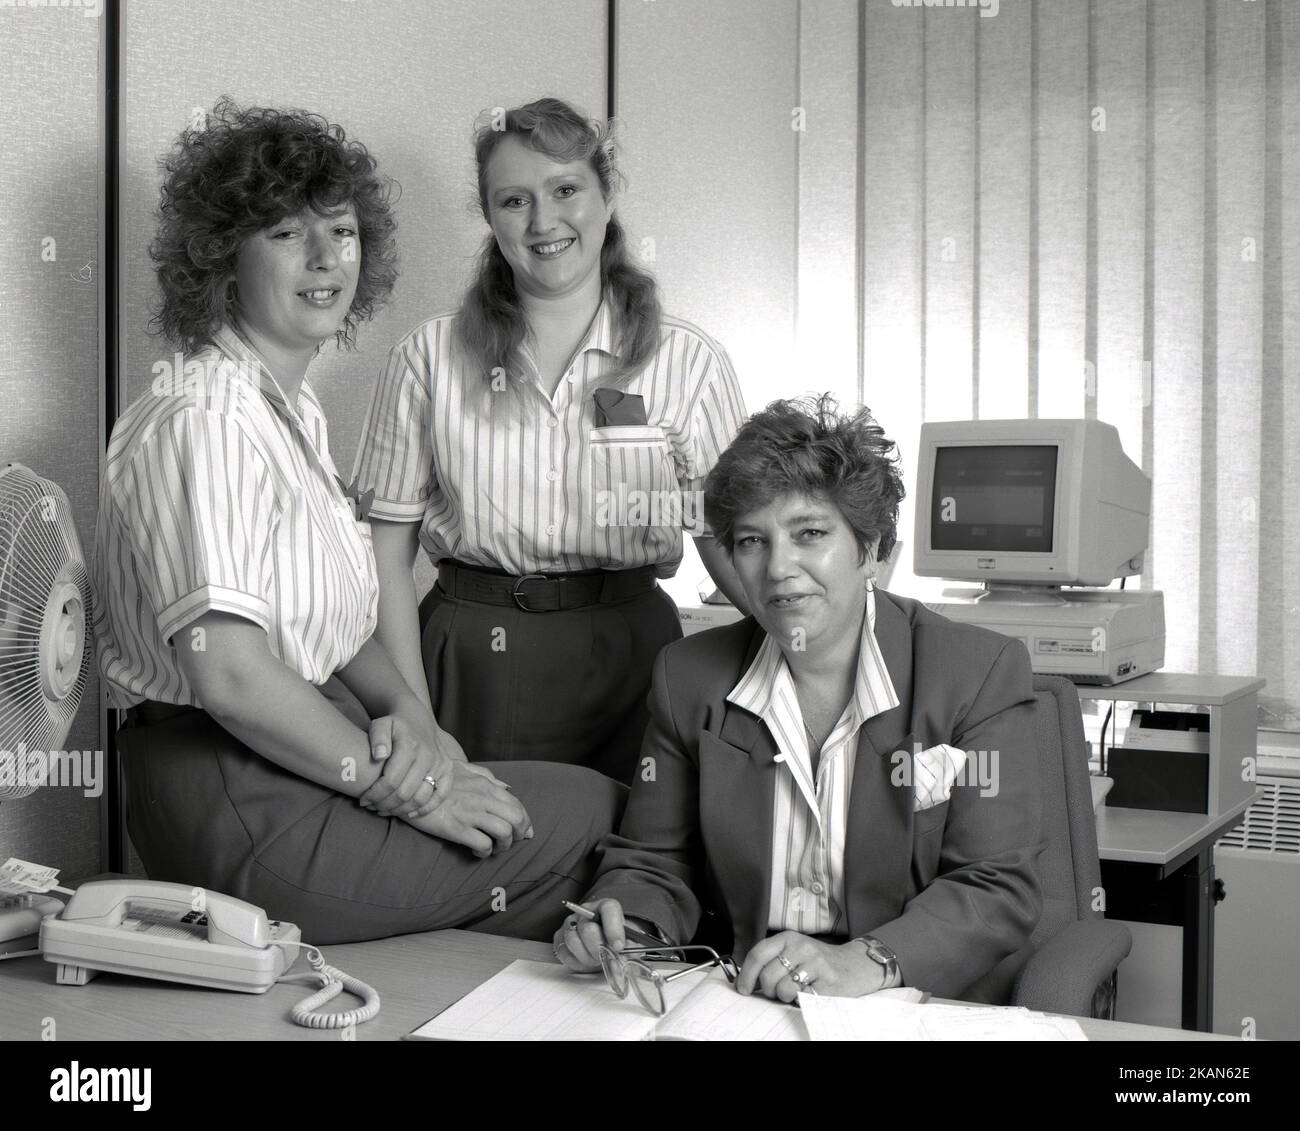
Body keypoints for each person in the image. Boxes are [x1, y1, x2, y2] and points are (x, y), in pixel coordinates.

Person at [94, 99, 622, 945]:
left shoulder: (288, 409)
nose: (323, 258)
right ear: (221, 258)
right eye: (285, 233)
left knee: (548, 809)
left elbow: (332, 627)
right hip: (233, 795)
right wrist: (409, 787)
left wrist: (417, 720)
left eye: (339, 231)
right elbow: (229, 677)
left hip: (300, 755)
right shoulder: (205, 416)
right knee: (596, 817)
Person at [553, 395, 1044, 1002]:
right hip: (746, 997)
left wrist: (867, 961)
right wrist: (627, 926)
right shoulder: (689, 679)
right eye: (752, 541)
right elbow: (656, 860)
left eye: (809, 533)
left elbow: (995, 887)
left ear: (872, 548)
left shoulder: (976, 674)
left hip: (906, 995)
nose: (779, 568)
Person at [352, 97, 748, 785]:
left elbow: (731, 540)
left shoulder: (688, 362)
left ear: (604, 193)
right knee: (480, 861)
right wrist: (415, 713)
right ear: (489, 216)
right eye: (514, 200)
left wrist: (830, 635)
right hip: (470, 651)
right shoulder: (429, 357)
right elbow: (384, 558)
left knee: (634, 859)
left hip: (635, 651)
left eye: (565, 189)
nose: (543, 222)